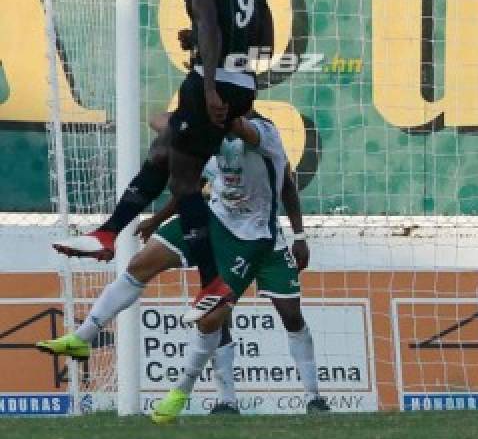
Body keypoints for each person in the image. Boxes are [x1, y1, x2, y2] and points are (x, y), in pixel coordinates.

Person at [38, 114, 327, 417]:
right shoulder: (205, 136)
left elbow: (286, 186)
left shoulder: (264, 133)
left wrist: (299, 236)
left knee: (233, 317)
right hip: (214, 221)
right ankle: (83, 337)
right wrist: (157, 219)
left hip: (255, 238)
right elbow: (164, 136)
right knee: (141, 263)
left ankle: (306, 396)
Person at [54, 0, 273, 322]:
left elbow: (210, 24)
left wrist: (209, 85)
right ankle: (107, 233)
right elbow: (265, 44)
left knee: (184, 182)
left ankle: (211, 284)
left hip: (210, 85)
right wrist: (208, 44)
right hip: (243, 85)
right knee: (162, 152)